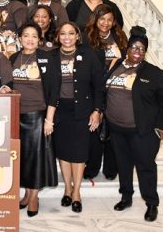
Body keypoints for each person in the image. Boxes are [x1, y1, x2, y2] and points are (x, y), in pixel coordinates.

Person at [106, 26, 163, 222]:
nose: (138, 52)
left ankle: (152, 203)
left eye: (142, 49)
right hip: (117, 129)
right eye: (134, 47)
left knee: (145, 167)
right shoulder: (116, 65)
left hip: (142, 131)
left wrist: (162, 127)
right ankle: (126, 197)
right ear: (127, 48)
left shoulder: (154, 73)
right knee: (124, 165)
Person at [53, 22, 104, 213]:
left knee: (79, 153)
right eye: (63, 33)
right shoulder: (52, 56)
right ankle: (67, 188)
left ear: (77, 36)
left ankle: (77, 193)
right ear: (58, 37)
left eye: (71, 33)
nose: (67, 37)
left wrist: (97, 110)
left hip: (83, 109)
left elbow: (99, 86)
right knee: (64, 152)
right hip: (60, 111)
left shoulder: (89, 55)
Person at [10, 23, 58, 217]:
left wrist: (49, 120)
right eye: (26, 35)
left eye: (33, 36)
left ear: (39, 39)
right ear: (20, 38)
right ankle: (27, 192)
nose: (29, 39)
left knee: (35, 158)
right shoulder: (13, 58)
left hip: (37, 115)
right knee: (22, 158)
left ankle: (34, 197)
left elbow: (54, 91)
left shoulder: (47, 58)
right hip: (16, 115)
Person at [83, 3, 127, 181]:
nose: (105, 23)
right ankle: (92, 166)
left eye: (109, 19)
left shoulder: (120, 37)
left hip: (116, 90)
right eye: (102, 19)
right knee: (94, 129)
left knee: (114, 130)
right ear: (96, 19)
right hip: (94, 89)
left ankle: (111, 167)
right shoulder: (87, 38)